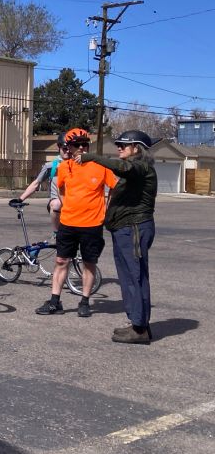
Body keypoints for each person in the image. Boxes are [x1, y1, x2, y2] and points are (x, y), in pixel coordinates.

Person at [76, 130, 158, 343]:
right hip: (125, 229)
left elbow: (123, 167)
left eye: (123, 144)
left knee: (135, 277)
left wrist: (92, 157)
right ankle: (137, 323)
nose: (119, 147)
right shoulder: (136, 171)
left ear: (136, 148)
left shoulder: (140, 167)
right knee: (128, 277)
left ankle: (140, 329)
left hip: (134, 228)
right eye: (119, 144)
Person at [36, 128, 117, 318]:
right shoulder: (64, 167)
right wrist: (67, 205)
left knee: (89, 263)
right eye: (77, 144)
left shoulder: (100, 166)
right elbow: (62, 189)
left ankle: (85, 301)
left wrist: (106, 209)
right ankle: (55, 302)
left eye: (85, 144)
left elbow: (115, 186)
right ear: (69, 147)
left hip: (92, 224)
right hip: (68, 222)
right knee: (61, 261)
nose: (81, 147)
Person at [15, 133, 71, 235]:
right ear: (59, 147)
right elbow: (36, 183)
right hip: (57, 203)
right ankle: (56, 233)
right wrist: (20, 199)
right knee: (56, 204)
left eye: (70, 148)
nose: (67, 151)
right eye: (64, 148)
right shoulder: (51, 166)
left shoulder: (79, 165)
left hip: (74, 203)